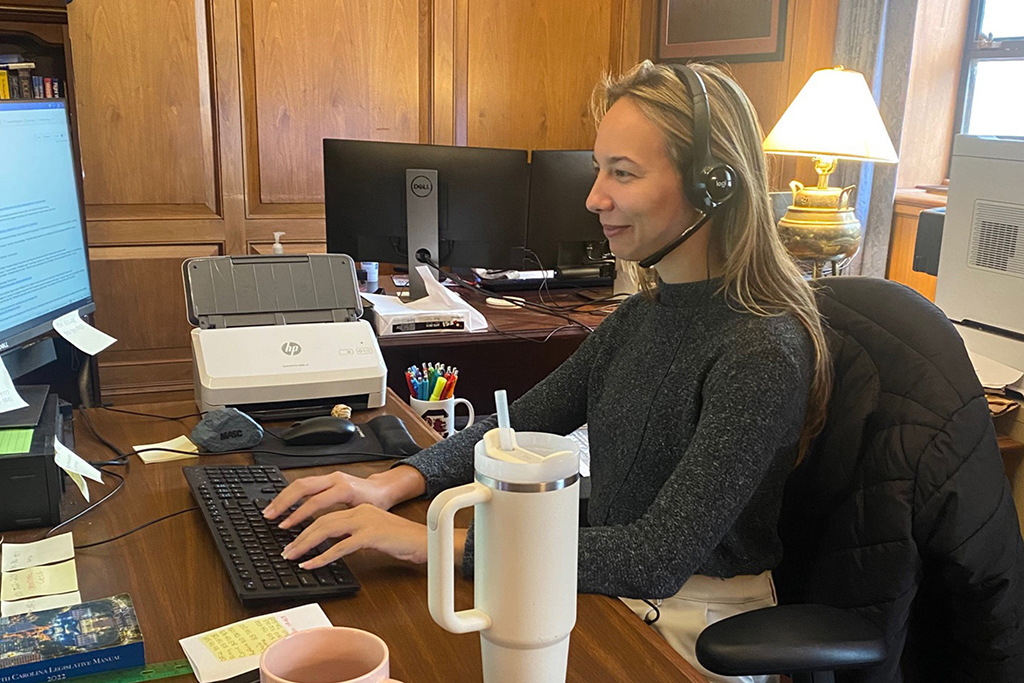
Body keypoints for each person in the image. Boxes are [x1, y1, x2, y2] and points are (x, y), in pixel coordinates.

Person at [262, 60, 832, 683]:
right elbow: (523, 422)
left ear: (712, 185)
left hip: (689, 623)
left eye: (623, 173)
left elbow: (656, 557)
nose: (594, 198)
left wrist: (432, 545)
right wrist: (391, 486)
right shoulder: (645, 314)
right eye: (598, 169)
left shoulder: (760, 349)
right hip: (607, 589)